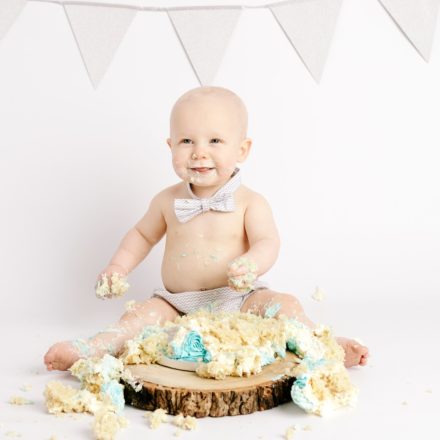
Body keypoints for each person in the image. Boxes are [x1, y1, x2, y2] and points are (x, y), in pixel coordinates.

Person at [44, 86, 369, 371]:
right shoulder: (166, 201)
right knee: (137, 318)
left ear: (241, 149)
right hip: (176, 302)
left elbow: (268, 241)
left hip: (238, 297)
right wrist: (118, 266)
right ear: (170, 146)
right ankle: (92, 348)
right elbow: (142, 236)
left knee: (285, 305)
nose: (199, 151)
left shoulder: (249, 202)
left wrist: (251, 264)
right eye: (187, 140)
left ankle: (321, 343)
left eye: (215, 140)